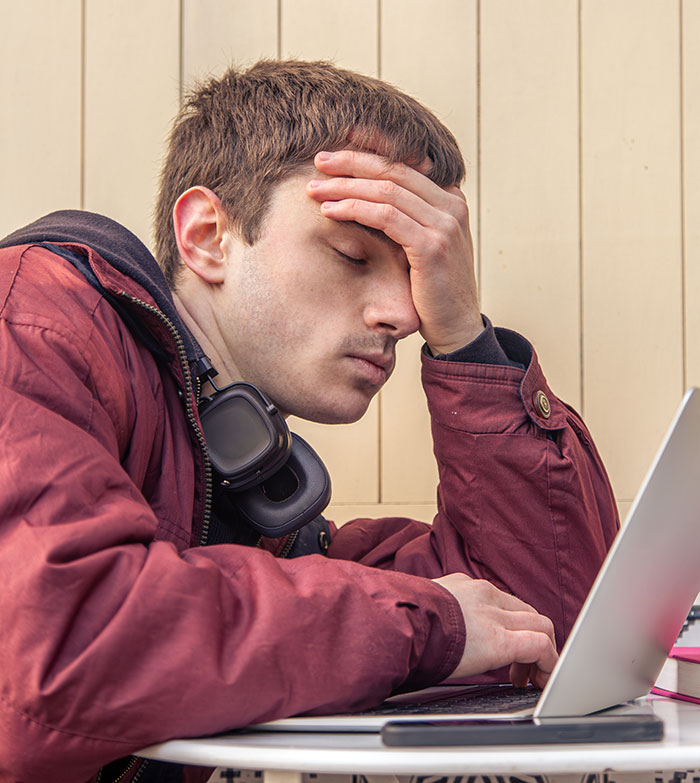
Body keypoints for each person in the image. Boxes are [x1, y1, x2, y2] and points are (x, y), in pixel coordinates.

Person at [0, 60, 618, 783]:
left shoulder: (258, 508)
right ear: (207, 237)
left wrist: (463, 336)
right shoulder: (31, 323)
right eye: (353, 254)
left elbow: (540, 630)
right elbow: (54, 655)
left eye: (418, 273)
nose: (404, 312)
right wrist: (421, 622)